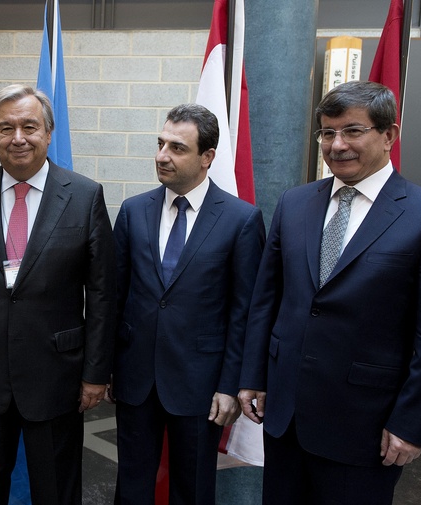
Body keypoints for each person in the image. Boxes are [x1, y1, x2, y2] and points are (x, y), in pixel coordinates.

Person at [238, 80, 421, 505]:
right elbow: (267, 299)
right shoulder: (294, 203)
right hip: (286, 416)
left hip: (365, 426)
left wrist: (412, 422)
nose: (337, 145)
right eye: (327, 133)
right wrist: (254, 375)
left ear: (389, 135)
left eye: (352, 131)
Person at [0, 84, 116, 505]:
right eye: (6, 128)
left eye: (29, 126)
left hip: (58, 377)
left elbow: (104, 293)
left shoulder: (85, 196)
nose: (18, 137)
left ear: (49, 132)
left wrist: (95, 373)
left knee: (56, 490)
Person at [111, 104, 265, 504]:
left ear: (206, 157)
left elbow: (243, 311)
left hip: (201, 384)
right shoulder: (133, 211)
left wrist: (230, 384)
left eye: (177, 148)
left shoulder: (240, 220)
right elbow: (114, 296)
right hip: (136, 378)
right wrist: (106, 367)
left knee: (193, 488)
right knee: (131, 486)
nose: (162, 155)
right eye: (161, 144)